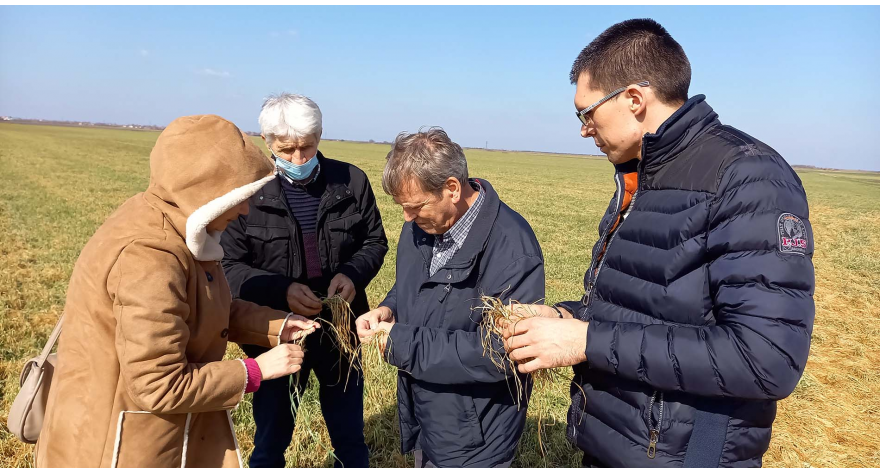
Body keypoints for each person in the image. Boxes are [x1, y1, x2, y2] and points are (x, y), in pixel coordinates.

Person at [502, 19, 815, 467]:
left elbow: (767, 359)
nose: (583, 130)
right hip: (616, 445)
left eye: (586, 113)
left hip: (681, 457)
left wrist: (584, 340)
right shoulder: (641, 175)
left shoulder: (747, 177)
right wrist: (563, 316)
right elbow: (640, 308)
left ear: (633, 99)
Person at [35, 115, 319, 468]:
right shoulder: (149, 256)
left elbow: (203, 308)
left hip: (148, 433)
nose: (246, 209)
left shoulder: (177, 225)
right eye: (241, 197)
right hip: (118, 447)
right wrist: (254, 371)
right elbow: (159, 383)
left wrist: (277, 324)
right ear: (208, 192)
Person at [355, 128, 544, 468]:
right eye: (402, 207)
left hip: (476, 434)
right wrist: (388, 308)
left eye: (414, 207)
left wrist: (404, 343)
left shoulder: (512, 247)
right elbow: (413, 284)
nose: (406, 218)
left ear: (452, 188)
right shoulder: (423, 224)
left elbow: (503, 352)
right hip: (426, 414)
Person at [220, 93, 387, 468]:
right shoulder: (247, 191)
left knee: (349, 433)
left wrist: (352, 275)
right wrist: (281, 290)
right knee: (270, 436)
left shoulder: (351, 181)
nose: (298, 159)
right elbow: (228, 265)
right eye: (287, 149)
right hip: (275, 330)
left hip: (339, 327)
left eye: (306, 147)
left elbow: (375, 241)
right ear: (267, 143)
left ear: (320, 136)